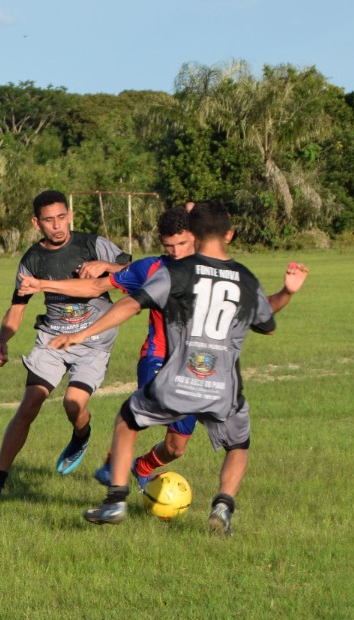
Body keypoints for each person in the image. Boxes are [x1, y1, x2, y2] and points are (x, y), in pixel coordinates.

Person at [48, 200, 299, 534]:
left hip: (180, 375)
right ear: (229, 234)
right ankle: (224, 504)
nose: (177, 250)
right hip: (220, 383)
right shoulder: (243, 278)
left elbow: (130, 304)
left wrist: (82, 332)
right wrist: (289, 291)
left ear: (194, 236)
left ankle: (117, 498)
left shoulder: (175, 274)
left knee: (134, 424)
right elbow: (266, 322)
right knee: (238, 446)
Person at [0, 189, 131, 503]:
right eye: (48, 220)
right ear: (36, 222)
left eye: (61, 217)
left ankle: (81, 434)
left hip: (94, 340)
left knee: (73, 404)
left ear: (69, 215)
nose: (57, 225)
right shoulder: (32, 260)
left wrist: (105, 266)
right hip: (53, 339)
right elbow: (18, 307)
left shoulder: (93, 244)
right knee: (30, 404)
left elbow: (135, 270)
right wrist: (2, 339)